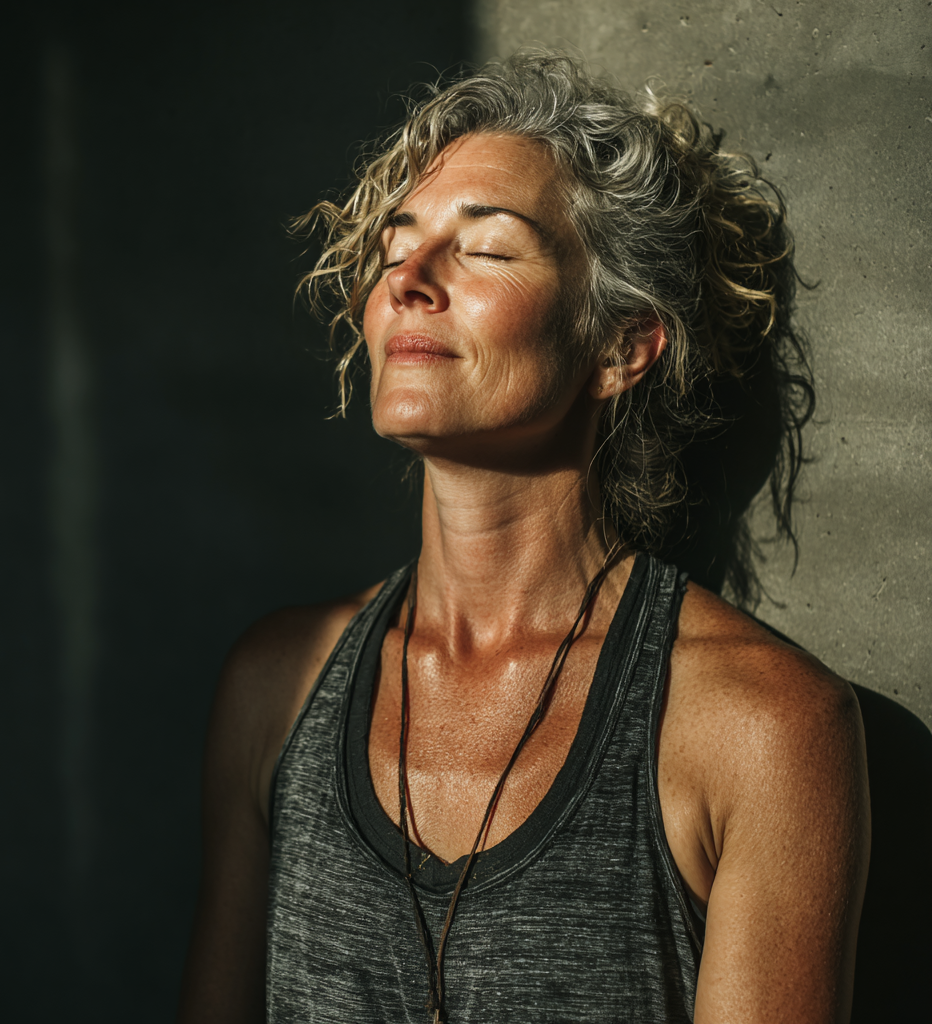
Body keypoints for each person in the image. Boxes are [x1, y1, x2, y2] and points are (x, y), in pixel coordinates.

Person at [177, 52, 870, 1024]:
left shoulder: (758, 727)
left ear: (621, 346)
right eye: (395, 247)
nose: (410, 279)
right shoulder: (276, 686)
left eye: (486, 249)